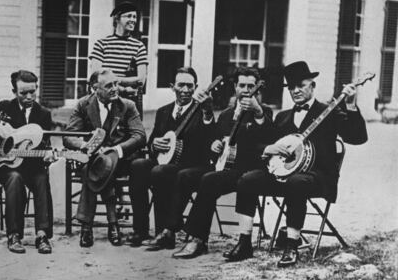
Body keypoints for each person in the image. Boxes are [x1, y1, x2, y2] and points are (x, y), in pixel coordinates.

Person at [226, 61, 368, 267]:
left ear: (312, 85)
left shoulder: (328, 112)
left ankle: (291, 245)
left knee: (297, 182)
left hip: (318, 177)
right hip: (284, 174)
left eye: (301, 85)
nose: (296, 90)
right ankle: (244, 242)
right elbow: (263, 143)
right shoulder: (283, 117)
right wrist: (268, 149)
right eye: (291, 87)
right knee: (247, 179)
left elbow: (358, 137)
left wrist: (351, 105)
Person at [171, 67, 273, 259]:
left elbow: (268, 138)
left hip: (250, 170)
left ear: (257, 90)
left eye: (251, 86)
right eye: (242, 85)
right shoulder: (226, 114)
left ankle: (197, 239)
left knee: (209, 180)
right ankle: (173, 226)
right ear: (235, 87)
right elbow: (214, 138)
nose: (246, 90)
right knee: (188, 175)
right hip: (226, 167)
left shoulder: (263, 111)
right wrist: (215, 144)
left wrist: (257, 112)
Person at [127, 67, 216, 248]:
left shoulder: (202, 111)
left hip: (191, 165)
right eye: (181, 85)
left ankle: (164, 232)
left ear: (196, 87)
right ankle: (140, 230)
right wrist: (155, 145)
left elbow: (209, 141)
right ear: (172, 87)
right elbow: (152, 143)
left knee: (161, 172)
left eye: (190, 86)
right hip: (166, 161)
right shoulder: (163, 111)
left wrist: (208, 113)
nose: (185, 90)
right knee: (137, 166)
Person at [64, 68, 146, 247]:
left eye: (116, 83)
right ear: (95, 88)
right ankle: (113, 223)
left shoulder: (127, 105)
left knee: (96, 168)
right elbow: (68, 136)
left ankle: (87, 226)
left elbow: (140, 136)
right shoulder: (83, 105)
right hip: (93, 158)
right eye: (109, 85)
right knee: (94, 166)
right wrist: (86, 145)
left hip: (121, 159)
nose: (115, 88)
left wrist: (116, 149)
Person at [0, 70, 54, 254]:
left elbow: (47, 144)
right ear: (14, 91)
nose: (29, 97)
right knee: (14, 178)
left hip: (32, 165)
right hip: (4, 165)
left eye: (33, 92)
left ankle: (42, 234)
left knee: (41, 179)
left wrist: (48, 154)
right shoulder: (4, 108)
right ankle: (14, 235)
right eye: (23, 93)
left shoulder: (43, 114)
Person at [89, 1, 147, 111]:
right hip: (103, 100)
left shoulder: (139, 46)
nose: (133, 20)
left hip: (128, 102)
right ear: (117, 19)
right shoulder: (102, 44)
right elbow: (95, 78)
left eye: (135, 17)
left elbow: (141, 80)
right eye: (129, 16)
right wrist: (123, 88)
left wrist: (111, 80)